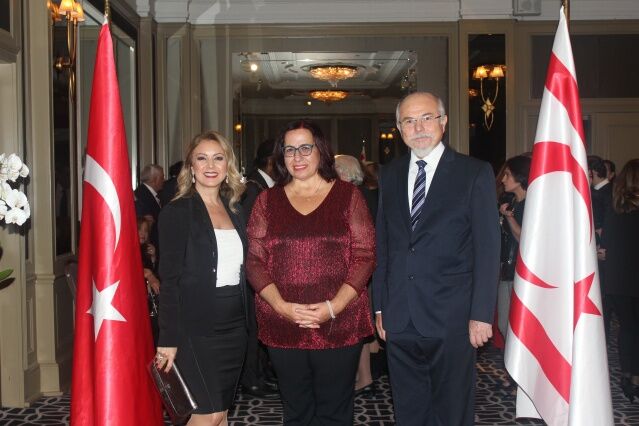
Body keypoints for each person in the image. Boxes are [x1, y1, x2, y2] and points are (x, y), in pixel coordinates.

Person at [372, 92, 500, 425]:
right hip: (399, 317)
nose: (419, 128)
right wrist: (380, 306)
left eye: (426, 118)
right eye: (409, 121)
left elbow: (488, 249)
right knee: (409, 411)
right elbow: (384, 244)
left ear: (443, 122)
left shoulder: (474, 172)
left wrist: (481, 314)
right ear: (400, 128)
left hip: (453, 318)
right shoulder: (390, 174)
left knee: (451, 411)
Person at [246, 119, 376, 425]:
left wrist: (333, 308)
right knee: (296, 411)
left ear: (321, 151)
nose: (298, 156)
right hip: (283, 322)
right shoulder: (267, 201)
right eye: (289, 150)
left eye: (306, 148)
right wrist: (282, 308)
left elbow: (365, 255)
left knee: (335, 412)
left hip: (339, 323)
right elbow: (254, 261)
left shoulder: (348, 196)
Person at [155, 131, 248, 426]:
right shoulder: (177, 212)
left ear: (227, 165)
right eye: (202, 158)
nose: (210, 165)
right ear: (191, 167)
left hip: (235, 327)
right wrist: (168, 339)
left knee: (222, 412)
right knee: (208, 415)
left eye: (218, 158)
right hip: (195, 328)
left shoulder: (236, 210)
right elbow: (169, 281)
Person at [334, 154, 378, 398]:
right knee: (358, 328)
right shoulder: (367, 193)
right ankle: (363, 378)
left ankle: (362, 378)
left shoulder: (353, 197)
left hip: (357, 272)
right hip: (364, 271)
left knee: (355, 327)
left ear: (342, 172)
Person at [239, 138, 279, 399]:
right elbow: (250, 234)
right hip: (253, 269)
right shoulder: (253, 189)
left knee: (261, 324)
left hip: (263, 268)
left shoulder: (264, 186)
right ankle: (251, 379)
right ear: (271, 161)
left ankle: (260, 373)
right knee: (253, 326)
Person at [601, 158, 639, 403]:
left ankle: (627, 376)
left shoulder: (615, 207)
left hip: (618, 279)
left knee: (628, 328)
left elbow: (607, 243)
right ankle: (635, 379)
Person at [496, 155, 530, 340]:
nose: (503, 179)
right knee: (503, 323)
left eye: (507, 175)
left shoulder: (532, 205)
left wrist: (508, 218)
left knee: (519, 326)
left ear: (520, 176)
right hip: (507, 270)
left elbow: (525, 239)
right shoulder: (511, 202)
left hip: (522, 271)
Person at [135, 164, 165, 248]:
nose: (164, 180)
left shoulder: (148, 193)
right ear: (154, 180)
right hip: (148, 246)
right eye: (162, 177)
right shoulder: (142, 195)